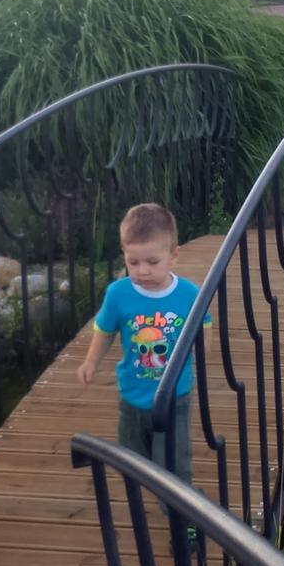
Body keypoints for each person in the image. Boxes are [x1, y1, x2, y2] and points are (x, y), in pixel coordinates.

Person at [76, 203, 207, 488]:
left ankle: (179, 510)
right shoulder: (118, 293)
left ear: (173, 256)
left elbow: (202, 329)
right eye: (133, 263)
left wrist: (200, 352)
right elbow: (104, 331)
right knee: (134, 461)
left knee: (173, 464)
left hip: (174, 396)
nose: (142, 271)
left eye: (152, 262)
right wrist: (91, 362)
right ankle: (146, 491)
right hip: (131, 396)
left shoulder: (188, 293)